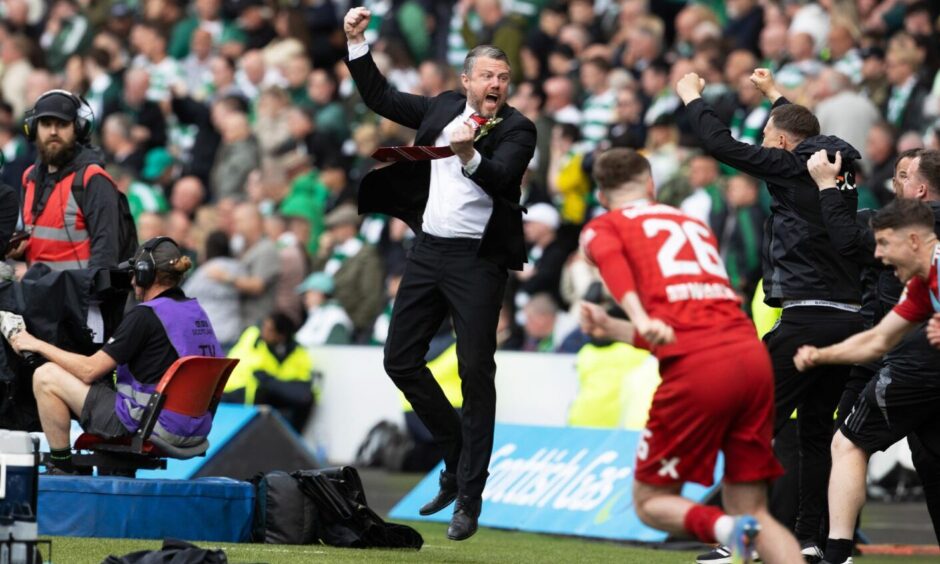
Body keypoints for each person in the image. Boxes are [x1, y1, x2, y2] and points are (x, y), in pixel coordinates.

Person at [343, 7, 536, 541]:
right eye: (488, 76)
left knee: (476, 372)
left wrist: (470, 155)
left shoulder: (519, 127)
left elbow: (502, 179)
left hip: (477, 261)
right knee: (399, 359)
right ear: (467, 81)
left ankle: (469, 495)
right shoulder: (442, 106)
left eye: (504, 77)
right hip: (428, 251)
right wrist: (357, 43)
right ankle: (455, 451)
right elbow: (379, 98)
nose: (496, 83)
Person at [580, 148, 800, 564]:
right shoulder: (691, 223)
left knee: (650, 502)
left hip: (700, 370)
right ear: (651, 185)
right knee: (753, 511)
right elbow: (686, 326)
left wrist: (637, 314)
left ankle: (727, 531)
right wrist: (615, 330)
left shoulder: (605, 225)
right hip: (749, 357)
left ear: (602, 195)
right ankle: (743, 530)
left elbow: (609, 258)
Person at [678, 68, 865, 557]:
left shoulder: (788, 166)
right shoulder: (835, 164)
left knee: (753, 425)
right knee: (815, 434)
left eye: (768, 137)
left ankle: (733, 539)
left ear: (782, 143)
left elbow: (722, 145)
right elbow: (803, 128)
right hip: (848, 319)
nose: (764, 144)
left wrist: (691, 97)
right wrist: (774, 95)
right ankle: (809, 540)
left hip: (806, 318)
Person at [794, 199, 940, 564]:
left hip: (917, 375)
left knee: (847, 442)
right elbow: (878, 340)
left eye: (884, 244)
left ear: (913, 241)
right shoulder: (921, 286)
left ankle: (838, 554)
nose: (878, 255)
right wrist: (822, 355)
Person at [9, 237, 221, 475]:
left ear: (145, 274)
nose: (131, 281)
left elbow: (89, 370)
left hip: (149, 424)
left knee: (46, 376)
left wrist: (35, 344)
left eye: (134, 274)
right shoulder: (197, 312)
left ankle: (61, 465)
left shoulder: (145, 316)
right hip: (193, 428)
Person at [11, 89, 126, 271]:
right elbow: (45, 242)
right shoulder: (29, 177)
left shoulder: (93, 179)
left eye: (62, 124)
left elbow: (104, 258)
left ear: (78, 128)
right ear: (33, 128)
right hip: (35, 295)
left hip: (77, 297)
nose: (53, 132)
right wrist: (20, 252)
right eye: (46, 124)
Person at [223, 311, 315, 433]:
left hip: (272, 389)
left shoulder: (298, 353)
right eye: (264, 326)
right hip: (235, 391)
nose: (263, 332)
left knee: (304, 399)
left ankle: (293, 438)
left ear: (281, 336)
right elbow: (254, 371)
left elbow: (304, 390)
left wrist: (272, 381)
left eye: (270, 330)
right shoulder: (252, 337)